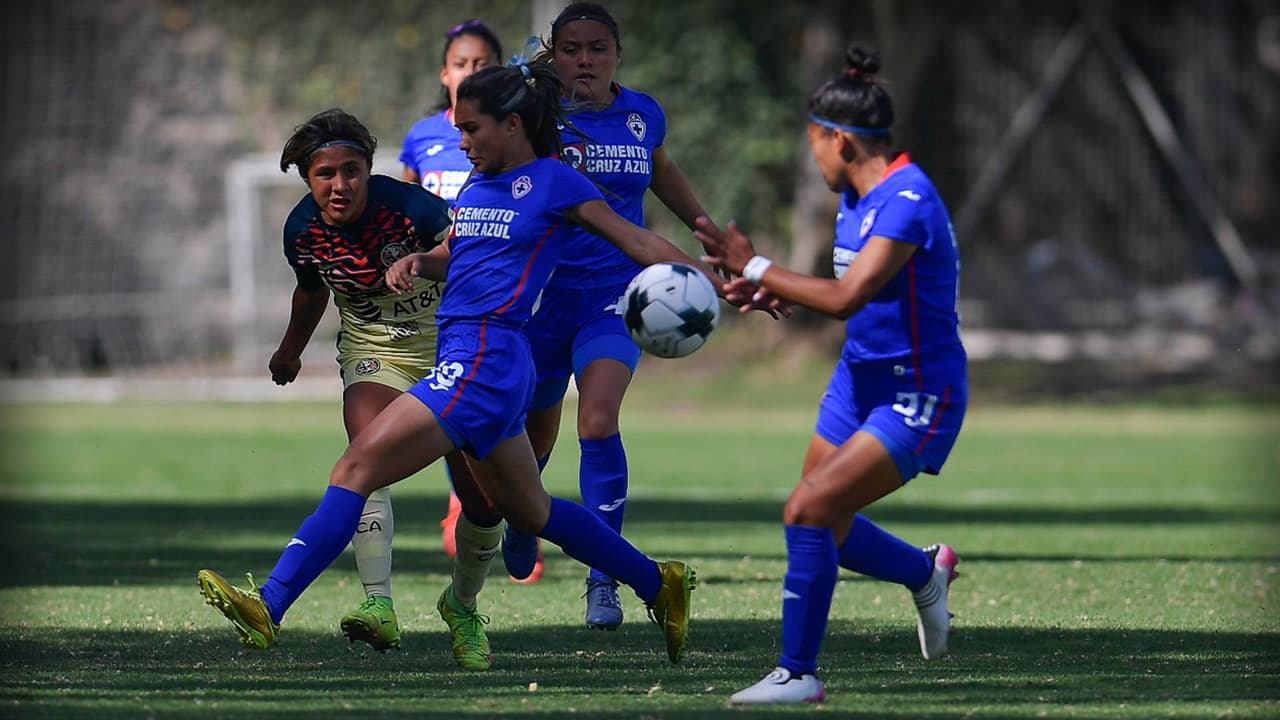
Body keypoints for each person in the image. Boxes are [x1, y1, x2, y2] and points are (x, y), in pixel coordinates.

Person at [197, 55, 718, 670]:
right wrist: (422, 261)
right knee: (531, 511)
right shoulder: (480, 183)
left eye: (471, 128)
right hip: (480, 361)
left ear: (514, 124)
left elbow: (638, 241)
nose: (460, 139)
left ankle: (269, 605)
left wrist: (714, 278)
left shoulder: (555, 181)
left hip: (485, 357)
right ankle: (660, 584)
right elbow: (464, 252)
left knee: (356, 468)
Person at [695, 46, 967, 705]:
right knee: (827, 523)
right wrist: (777, 291)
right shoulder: (856, 193)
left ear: (839, 139)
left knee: (808, 510)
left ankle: (798, 674)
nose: (814, 159)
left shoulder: (909, 199)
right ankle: (924, 572)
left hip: (916, 392)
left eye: (814, 143)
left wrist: (756, 266)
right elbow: (837, 291)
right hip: (857, 381)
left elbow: (850, 296)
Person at [500, 2, 724, 628]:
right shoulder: (536, 117)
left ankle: (606, 580)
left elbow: (661, 172)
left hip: (616, 297)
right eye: (571, 49)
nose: (585, 61)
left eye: (597, 49)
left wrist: (708, 239)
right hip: (540, 301)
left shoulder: (642, 114)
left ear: (616, 54)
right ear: (556, 54)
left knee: (597, 422)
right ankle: (525, 519)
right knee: (530, 442)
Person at [261, 108, 502, 657]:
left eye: (352, 171)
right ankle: (378, 604)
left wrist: (423, 261)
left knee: (485, 501)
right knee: (364, 455)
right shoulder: (302, 230)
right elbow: (311, 291)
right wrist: (290, 351)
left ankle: (462, 606)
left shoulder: (410, 206)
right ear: (307, 178)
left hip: (451, 346)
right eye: (326, 174)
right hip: (375, 350)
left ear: (370, 170)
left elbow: (465, 249)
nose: (340, 185)